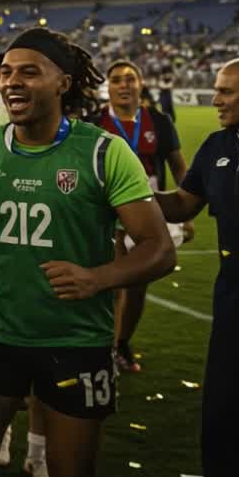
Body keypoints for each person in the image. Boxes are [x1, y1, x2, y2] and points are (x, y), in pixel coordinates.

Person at [0, 28, 176, 477]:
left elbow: (158, 248)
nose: (13, 82)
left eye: (30, 72)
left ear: (63, 83)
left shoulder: (103, 153)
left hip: (75, 341)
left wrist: (98, 278)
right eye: (7, 72)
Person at [150, 58, 239, 477]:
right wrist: (132, 196)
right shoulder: (217, 146)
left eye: (225, 91)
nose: (215, 99)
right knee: (223, 410)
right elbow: (185, 204)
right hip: (232, 301)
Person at [90, 59, 193, 372]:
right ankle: (100, 346)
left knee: (135, 283)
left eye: (129, 79)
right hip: (104, 211)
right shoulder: (93, 122)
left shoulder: (158, 122)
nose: (123, 85)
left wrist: (186, 213)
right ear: (107, 87)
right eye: (117, 79)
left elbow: (178, 166)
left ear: (140, 84)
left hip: (145, 208)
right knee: (108, 282)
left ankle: (120, 343)